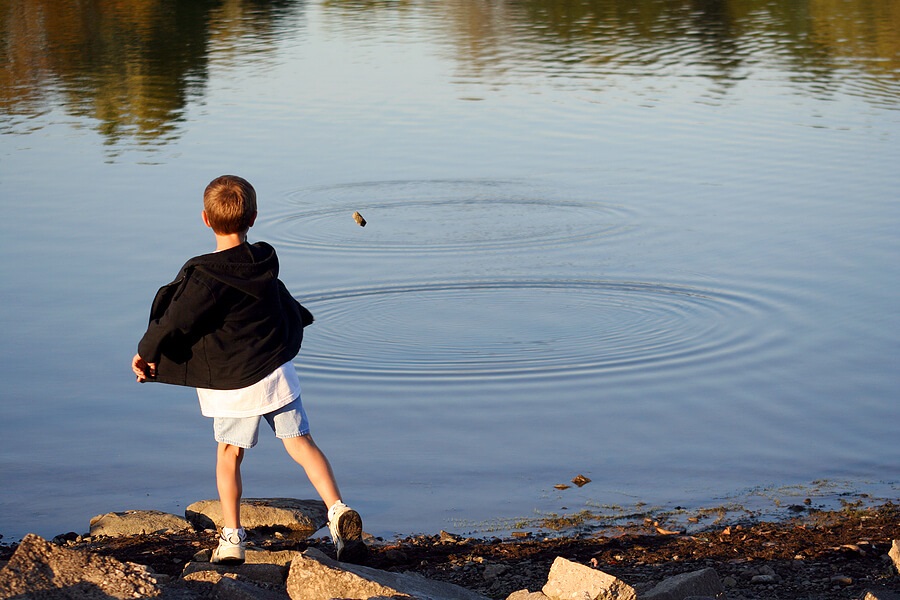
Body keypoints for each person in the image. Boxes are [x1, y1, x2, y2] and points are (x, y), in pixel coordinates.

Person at [131, 175, 365, 565]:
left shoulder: (205, 277)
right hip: (276, 373)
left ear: (205, 219)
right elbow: (282, 301)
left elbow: (175, 321)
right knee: (302, 444)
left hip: (233, 382)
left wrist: (146, 351)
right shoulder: (263, 260)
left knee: (229, 454)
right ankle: (338, 510)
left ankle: (232, 538)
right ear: (253, 218)